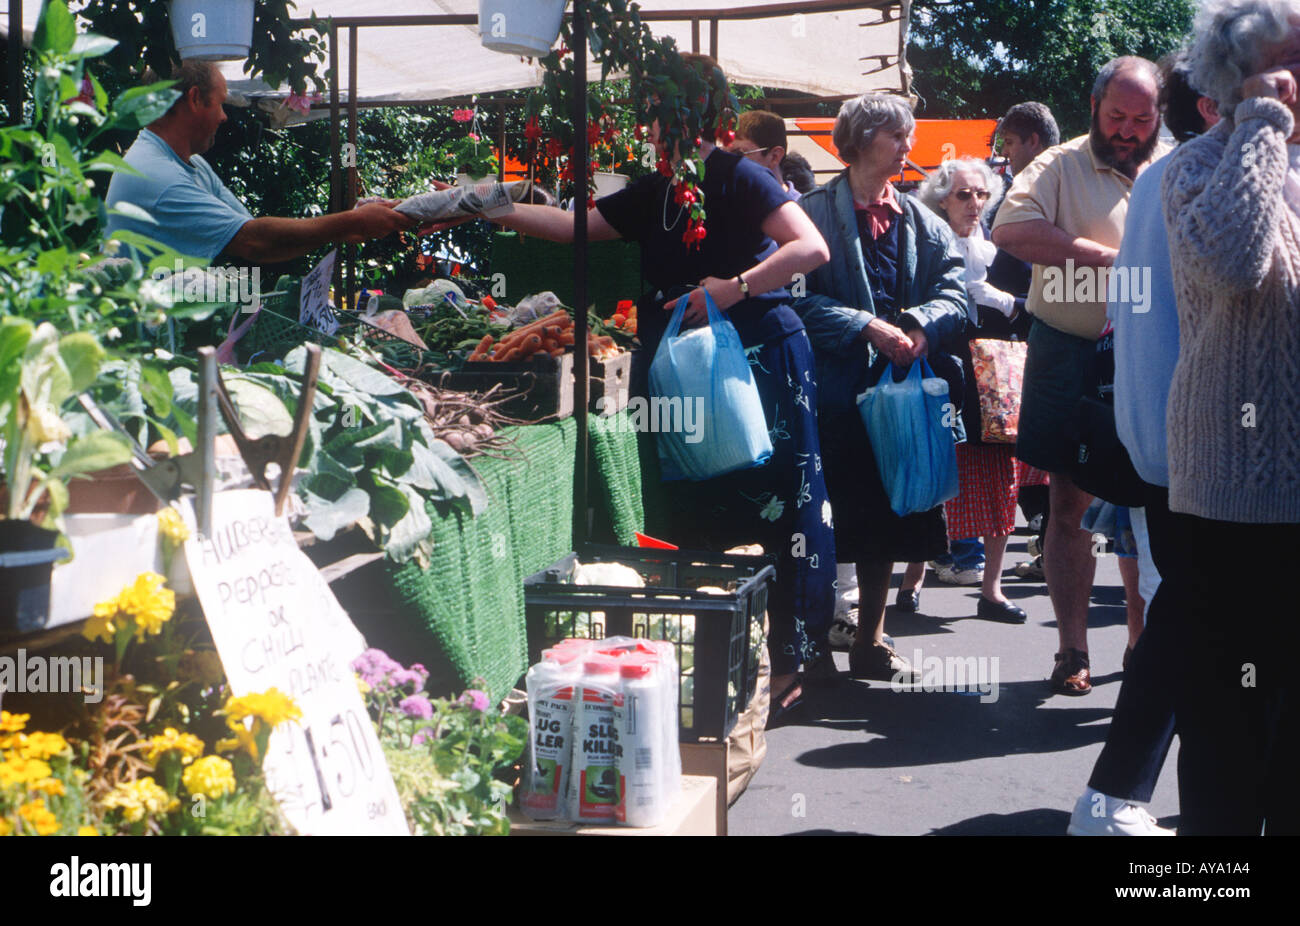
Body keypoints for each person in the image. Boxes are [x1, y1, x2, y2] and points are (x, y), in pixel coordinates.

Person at [479, 55, 835, 722]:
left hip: (760, 364)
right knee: (696, 507)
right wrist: (488, 206)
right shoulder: (658, 187)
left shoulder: (742, 176)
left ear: (686, 118)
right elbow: (575, 227)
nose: (648, 127)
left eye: (655, 115)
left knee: (783, 510)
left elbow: (810, 247)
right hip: (682, 371)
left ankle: (791, 666)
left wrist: (732, 288)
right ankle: (719, 656)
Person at [1158, 0, 1300, 834]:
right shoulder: (1197, 168)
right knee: (1231, 725)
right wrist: (1261, 124)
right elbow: (1236, 262)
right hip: (1239, 499)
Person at [991, 56, 1168, 696]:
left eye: (1140, 119)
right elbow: (1008, 229)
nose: (1126, 130)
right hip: (1069, 350)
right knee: (1069, 502)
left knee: (1153, 504)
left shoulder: (1172, 166)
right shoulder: (1060, 164)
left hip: (1152, 355)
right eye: (1116, 116)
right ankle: (1072, 651)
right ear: (1094, 106)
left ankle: (1146, 649)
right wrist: (1105, 259)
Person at [794, 92, 969, 680]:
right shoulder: (813, 213)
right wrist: (863, 325)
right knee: (823, 521)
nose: (908, 146)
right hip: (835, 398)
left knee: (886, 520)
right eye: (898, 136)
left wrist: (921, 326)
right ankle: (812, 647)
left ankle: (870, 639)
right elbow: (791, 298)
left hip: (899, 402)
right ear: (864, 139)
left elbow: (956, 291)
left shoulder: (923, 220)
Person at [105, 60, 412, 264]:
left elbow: (258, 238)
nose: (225, 117)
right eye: (222, 103)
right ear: (196, 99)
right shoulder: (157, 176)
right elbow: (255, 242)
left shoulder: (190, 165)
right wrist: (353, 223)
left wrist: (350, 222)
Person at [916, 157, 1032, 624]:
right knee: (934, 474)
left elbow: (1029, 307)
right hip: (945, 373)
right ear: (942, 199)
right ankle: (912, 579)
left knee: (1002, 479)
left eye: (981, 194)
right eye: (963, 194)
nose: (974, 203)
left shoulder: (998, 250)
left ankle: (993, 589)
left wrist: (1005, 303)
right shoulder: (927, 246)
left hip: (995, 380)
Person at [730, 110, 803, 199]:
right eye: (724, 154)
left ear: (774, 157)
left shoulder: (804, 210)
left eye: (738, 154)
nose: (727, 162)